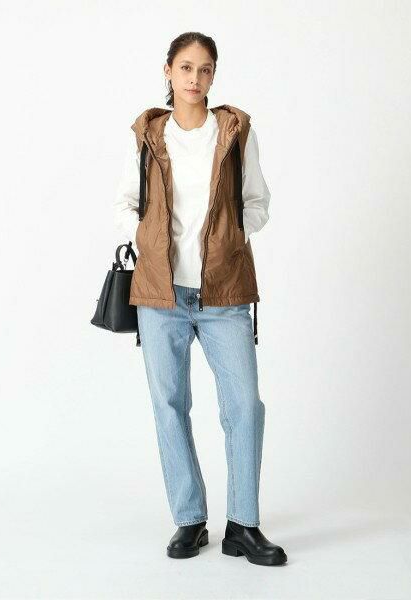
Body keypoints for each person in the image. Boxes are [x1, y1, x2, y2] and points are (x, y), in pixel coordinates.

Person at [113, 32, 287, 567]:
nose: (195, 78)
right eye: (186, 67)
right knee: (169, 406)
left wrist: (234, 236)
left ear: (214, 75)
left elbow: (257, 201)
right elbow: (125, 202)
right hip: (159, 294)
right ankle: (189, 519)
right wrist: (145, 241)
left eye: (205, 69)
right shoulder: (148, 134)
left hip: (224, 291)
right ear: (168, 70)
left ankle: (243, 524)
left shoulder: (234, 132)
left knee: (245, 406)